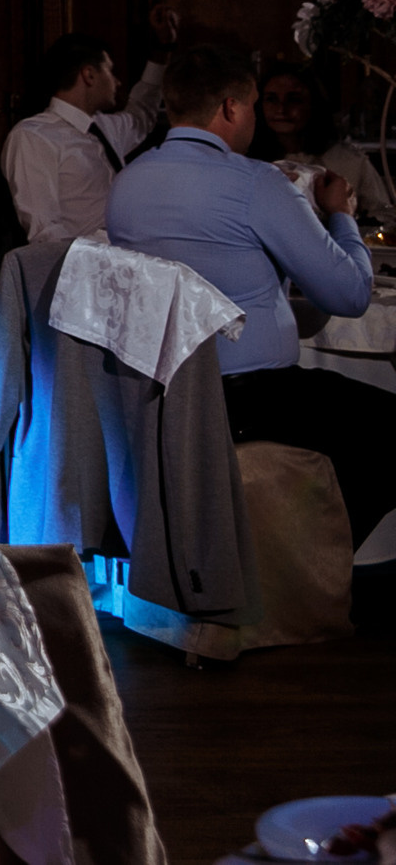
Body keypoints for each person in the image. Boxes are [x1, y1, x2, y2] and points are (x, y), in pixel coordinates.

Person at [107, 44, 394, 553]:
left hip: (157, 390)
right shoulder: (256, 184)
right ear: (231, 108)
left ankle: (287, 553)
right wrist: (339, 213)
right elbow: (350, 294)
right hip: (249, 396)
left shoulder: (128, 182)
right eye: (256, 104)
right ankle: (312, 563)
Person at [0, 23, 176, 244]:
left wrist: (161, 53)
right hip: (84, 265)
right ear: (89, 75)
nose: (117, 82)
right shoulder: (34, 136)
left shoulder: (105, 127)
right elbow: (44, 230)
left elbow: (141, 114)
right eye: (110, 71)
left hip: (130, 253)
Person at [248, 58, 396, 221]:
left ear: (314, 104)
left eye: (294, 99)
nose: (281, 108)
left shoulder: (350, 162)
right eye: (271, 99)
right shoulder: (248, 161)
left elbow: (384, 215)